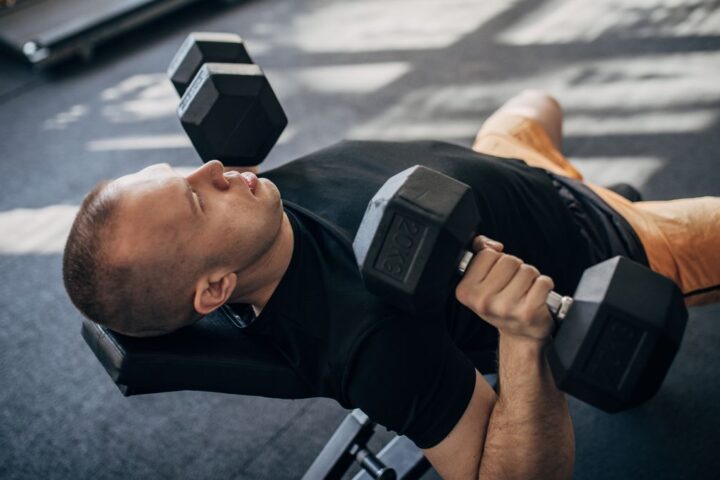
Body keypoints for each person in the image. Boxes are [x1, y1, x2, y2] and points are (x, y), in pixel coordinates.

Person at [62, 90, 720, 479]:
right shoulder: (369, 343)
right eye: (198, 200)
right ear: (215, 290)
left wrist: (194, 203)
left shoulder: (249, 212)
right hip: (613, 246)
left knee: (536, 103)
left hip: (509, 165)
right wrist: (522, 338)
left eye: (183, 171)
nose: (214, 168)